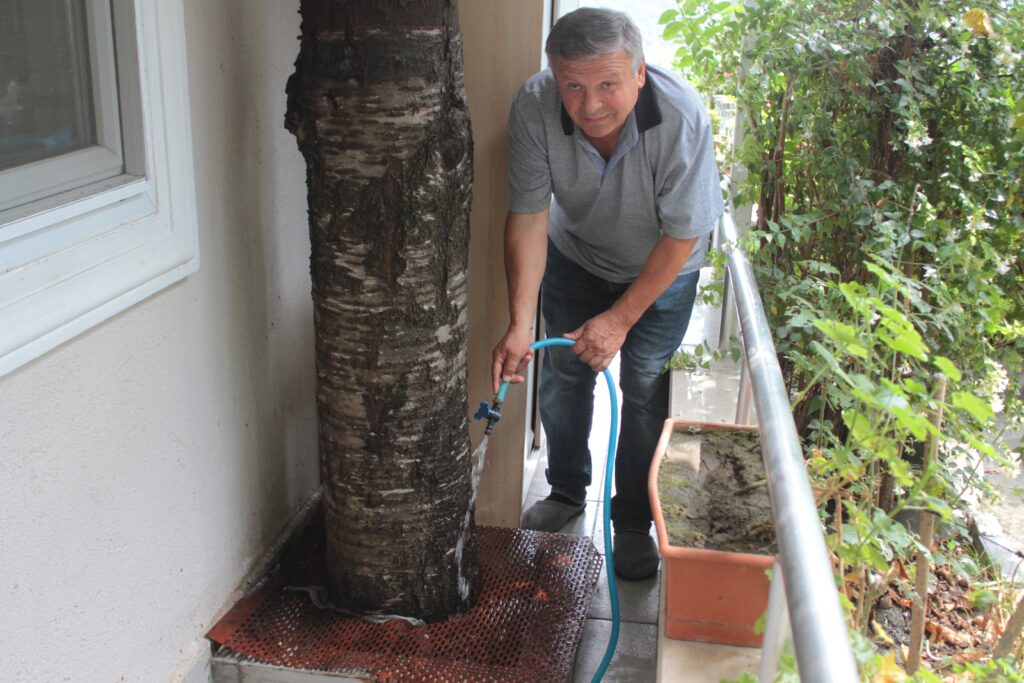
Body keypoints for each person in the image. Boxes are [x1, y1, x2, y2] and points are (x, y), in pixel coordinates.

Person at [491, 7, 724, 580]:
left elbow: (683, 233)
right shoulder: (533, 106)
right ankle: (567, 489)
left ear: (639, 74)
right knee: (565, 376)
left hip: (663, 269)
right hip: (577, 256)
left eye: (607, 85)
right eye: (573, 85)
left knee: (643, 390)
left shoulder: (680, 117)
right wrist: (520, 322)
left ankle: (633, 522)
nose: (590, 104)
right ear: (554, 76)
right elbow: (527, 218)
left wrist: (619, 320)